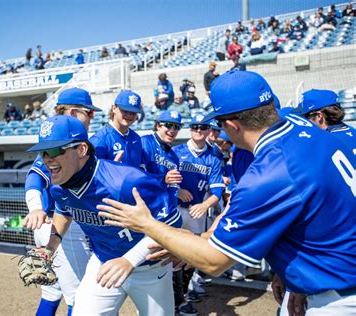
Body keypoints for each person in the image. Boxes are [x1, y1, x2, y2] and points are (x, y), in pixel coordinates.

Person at [98, 70, 356, 316]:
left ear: (231, 124)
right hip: (334, 271)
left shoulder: (271, 170)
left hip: (340, 295)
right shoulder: (305, 128)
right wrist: (294, 279)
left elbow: (213, 261)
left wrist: (147, 224)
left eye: (218, 123)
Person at [26, 115, 181, 315]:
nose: (47, 158)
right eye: (43, 151)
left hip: (150, 269)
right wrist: (50, 246)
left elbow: (172, 223)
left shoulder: (126, 181)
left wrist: (130, 260)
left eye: (56, 150)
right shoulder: (60, 187)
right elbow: (64, 210)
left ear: (81, 149)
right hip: (103, 262)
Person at [23, 87, 101, 316]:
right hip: (61, 226)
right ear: (72, 112)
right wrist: (35, 207)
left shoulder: (76, 141)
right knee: (81, 296)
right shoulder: (59, 141)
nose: (91, 117)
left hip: (57, 227)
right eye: (88, 112)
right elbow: (35, 176)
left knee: (52, 292)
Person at [172, 115, 225, 315]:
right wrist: (176, 190)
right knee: (170, 252)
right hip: (176, 209)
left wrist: (205, 204)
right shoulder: (177, 152)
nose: (198, 131)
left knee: (192, 256)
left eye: (202, 127)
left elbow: (217, 190)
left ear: (208, 130)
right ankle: (172, 299)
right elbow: (162, 179)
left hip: (196, 211)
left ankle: (182, 297)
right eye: (195, 127)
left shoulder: (213, 157)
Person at [141, 110, 183, 210]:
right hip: (144, 204)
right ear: (158, 126)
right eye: (168, 125)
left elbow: (173, 188)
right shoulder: (145, 142)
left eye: (176, 127)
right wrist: (163, 179)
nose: (172, 130)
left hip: (163, 208)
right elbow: (138, 175)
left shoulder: (174, 157)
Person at [90, 90, 142, 168]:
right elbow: (94, 176)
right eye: (125, 110)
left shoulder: (136, 138)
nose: (129, 115)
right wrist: (111, 171)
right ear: (114, 108)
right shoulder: (99, 139)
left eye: (133, 112)